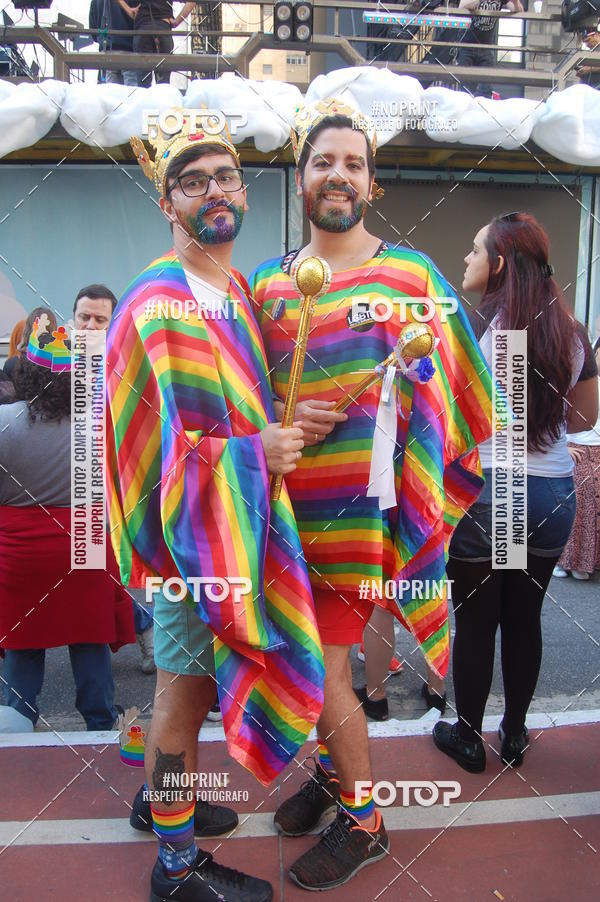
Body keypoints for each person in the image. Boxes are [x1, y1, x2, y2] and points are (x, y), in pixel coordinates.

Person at [250, 99, 495, 891]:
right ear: (301, 177)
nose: (339, 175)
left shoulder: (411, 276)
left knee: (324, 659)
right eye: (324, 162)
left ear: (373, 183)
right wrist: (273, 423)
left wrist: (407, 384)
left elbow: (465, 387)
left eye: (353, 163)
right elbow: (238, 395)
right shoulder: (267, 285)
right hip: (282, 517)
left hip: (362, 517)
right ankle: (331, 776)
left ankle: (365, 817)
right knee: (304, 654)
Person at [106, 111, 324, 901]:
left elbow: (236, 409)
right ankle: (174, 868)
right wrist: (250, 454)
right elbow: (142, 455)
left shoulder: (233, 289)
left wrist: (283, 428)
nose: (214, 192)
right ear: (167, 204)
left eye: (226, 176)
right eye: (192, 182)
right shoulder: (155, 303)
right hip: (190, 547)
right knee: (182, 698)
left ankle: (167, 805)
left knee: (186, 699)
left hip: (238, 534)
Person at [432, 212, 599, 773]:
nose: (467, 260)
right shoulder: (571, 332)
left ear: (498, 264)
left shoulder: (482, 330)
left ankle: (469, 737)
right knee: (523, 618)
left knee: (477, 620)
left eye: (475, 250)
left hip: (495, 491)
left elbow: (456, 420)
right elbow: (583, 420)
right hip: (550, 491)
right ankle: (517, 733)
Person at [0, 308, 135, 730]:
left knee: (24, 639)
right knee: (89, 635)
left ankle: (18, 722)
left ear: (28, 375)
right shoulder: (100, 425)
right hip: (86, 540)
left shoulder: (4, 423)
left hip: (21, 551)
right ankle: (100, 722)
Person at [74, 284, 156, 673]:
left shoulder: (125, 362)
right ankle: (135, 630)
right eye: (83, 317)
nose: (90, 325)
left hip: (113, 487)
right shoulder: (58, 364)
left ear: (112, 323)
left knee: (110, 566)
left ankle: (144, 630)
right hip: (68, 487)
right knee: (92, 571)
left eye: (99, 319)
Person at [554, 337, 600, 580]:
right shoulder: (571, 333)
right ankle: (569, 558)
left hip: (593, 451)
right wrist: (562, 444)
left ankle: (583, 560)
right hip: (570, 450)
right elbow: (577, 420)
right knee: (581, 494)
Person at [117, 1, 195, 87]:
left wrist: (128, 10)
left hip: (143, 30)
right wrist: (177, 21)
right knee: (163, 83)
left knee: (143, 84)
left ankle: (145, 98)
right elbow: (191, 2)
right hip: (163, 29)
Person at [456, 0, 524, 97]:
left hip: (486, 47)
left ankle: (481, 110)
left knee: (486, 90)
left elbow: (519, 11)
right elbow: (462, 6)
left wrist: (516, 2)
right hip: (467, 46)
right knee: (466, 90)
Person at [89, 0, 138, 87]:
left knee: (111, 94)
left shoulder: (95, 1)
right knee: (131, 92)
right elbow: (138, 21)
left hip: (107, 50)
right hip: (129, 49)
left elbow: (93, 30)